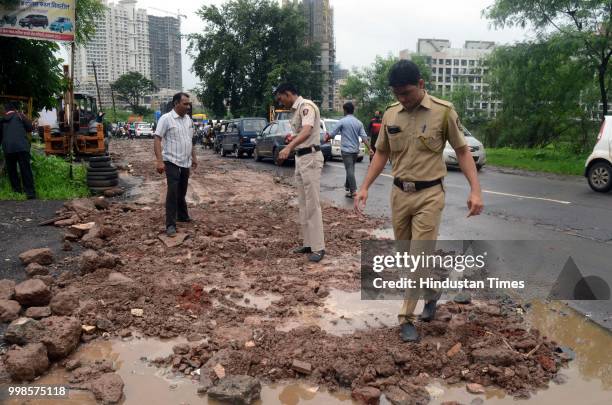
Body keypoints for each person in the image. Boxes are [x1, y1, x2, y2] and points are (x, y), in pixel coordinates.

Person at [354, 60, 484, 342]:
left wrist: (475, 190)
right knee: (406, 255)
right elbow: (381, 154)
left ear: (421, 85)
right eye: (398, 94)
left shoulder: (443, 111)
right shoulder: (390, 115)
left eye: (408, 93)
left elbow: (462, 151)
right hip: (399, 194)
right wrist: (364, 186)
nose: (403, 99)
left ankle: (406, 318)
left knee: (418, 257)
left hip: (430, 195)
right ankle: (432, 291)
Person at [275, 83, 325, 262]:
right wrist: (293, 139)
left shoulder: (306, 107)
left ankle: (319, 247)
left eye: (281, 98)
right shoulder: (297, 110)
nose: (281, 102)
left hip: (310, 157)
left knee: (313, 204)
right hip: (301, 158)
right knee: (304, 204)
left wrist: (289, 146)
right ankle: (309, 243)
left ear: (288, 93)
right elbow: (301, 133)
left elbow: (307, 130)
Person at [154, 92, 198, 237]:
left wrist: (194, 157)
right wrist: (159, 161)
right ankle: (170, 225)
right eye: (185, 103)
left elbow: (190, 141)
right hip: (171, 160)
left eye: (188, 103)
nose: (188, 106)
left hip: (185, 162)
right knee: (172, 192)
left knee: (182, 191)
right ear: (176, 103)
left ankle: (183, 216)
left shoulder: (188, 120)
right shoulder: (166, 119)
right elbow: (157, 139)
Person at [330, 102, 369, 198]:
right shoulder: (359, 122)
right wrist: (370, 148)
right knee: (351, 168)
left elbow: (332, 134)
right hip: (355, 150)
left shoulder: (342, 121)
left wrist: (326, 139)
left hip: (346, 151)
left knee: (350, 169)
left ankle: (354, 191)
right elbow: (364, 137)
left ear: (345, 110)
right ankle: (348, 187)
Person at [1, 102, 36, 199]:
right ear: (15, 109)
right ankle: (30, 193)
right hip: (22, 147)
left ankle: (17, 191)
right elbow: (30, 128)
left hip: (8, 148)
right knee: (25, 169)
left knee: (12, 171)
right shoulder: (20, 115)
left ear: (5, 110)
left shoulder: (2, 120)